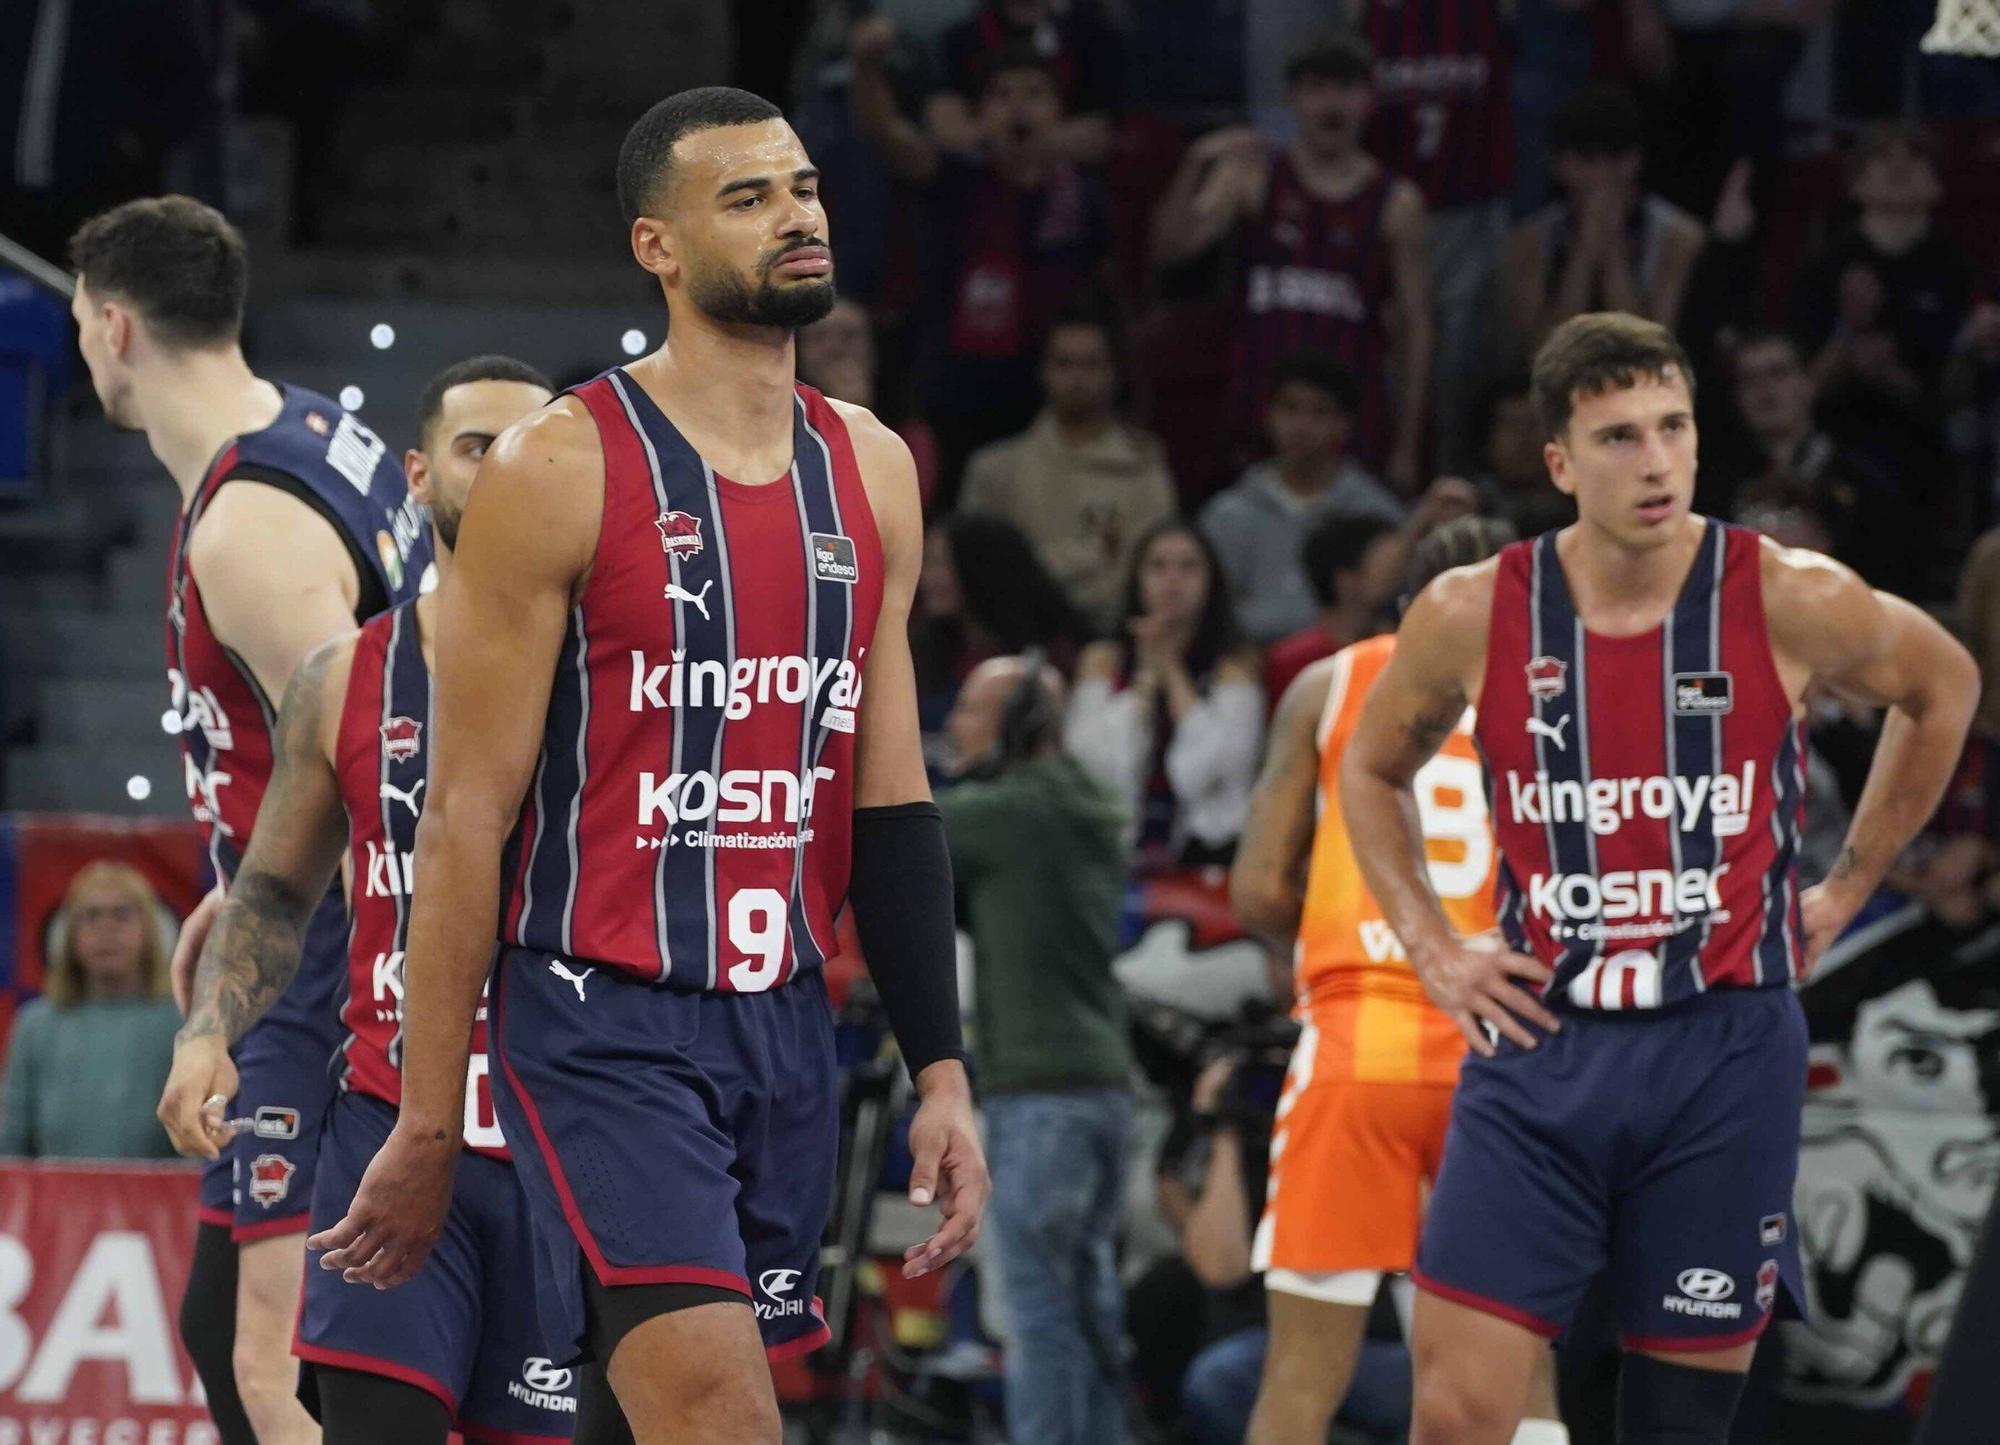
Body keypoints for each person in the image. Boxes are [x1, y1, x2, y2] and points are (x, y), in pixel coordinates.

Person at [304, 88, 988, 1445]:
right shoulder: (561, 468)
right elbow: (462, 820)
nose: (795, 214)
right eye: (746, 197)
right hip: (600, 1018)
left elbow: (891, 799)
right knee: (724, 1416)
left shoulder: (874, 470)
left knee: (644, 1417)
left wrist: (944, 1069)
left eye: (801, 187)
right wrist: (431, 1116)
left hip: (783, 1018)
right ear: (656, 249)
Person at [1341, 311, 1979, 1445]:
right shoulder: (1471, 611)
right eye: (1618, 435)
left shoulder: (1786, 591)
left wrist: (1844, 886)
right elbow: (1369, 768)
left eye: (1672, 427)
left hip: (1720, 1050)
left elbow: (1944, 687)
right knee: (1452, 1412)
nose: (1654, 460)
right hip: (1539, 1043)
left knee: (1674, 1426)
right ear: (1557, 461)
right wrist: (1433, 946)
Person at [154, 358, 573, 1445]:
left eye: (533, 449)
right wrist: (209, 1032)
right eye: (480, 446)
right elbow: (277, 887)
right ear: (418, 473)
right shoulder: (344, 677)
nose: (506, 471)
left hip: (559, 1136)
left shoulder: (623, 676)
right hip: (387, 1129)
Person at [67, 194, 429, 1445]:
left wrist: (231, 987)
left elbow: (361, 755)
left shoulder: (247, 526)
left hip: (326, 967)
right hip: (308, 926)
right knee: (221, 1328)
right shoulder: (319, 431)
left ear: (113, 329)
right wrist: (237, 885)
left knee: (274, 1370)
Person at [1230, 517, 1567, 1445]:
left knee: (1301, 1383)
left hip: (1357, 1045)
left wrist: (1357, 922)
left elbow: (1256, 887)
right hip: (1498, 1052)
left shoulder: (1331, 682)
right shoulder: (1559, 698)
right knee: (1516, 1385)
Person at [936, 655, 1132, 1445]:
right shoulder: (1086, 798)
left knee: (1037, 1312)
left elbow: (908, 828)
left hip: (1040, 1092)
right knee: (1088, 1309)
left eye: (973, 711)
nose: (954, 726)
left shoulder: (1008, 812)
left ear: (1020, 724)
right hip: (1105, 1087)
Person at [1152, 29, 1432, 490]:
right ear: (1292, 99)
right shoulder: (1254, 178)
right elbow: (1171, 249)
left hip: (1349, 412)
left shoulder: (1396, 203)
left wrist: (1407, 443)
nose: (1331, 104)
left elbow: (1416, 330)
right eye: (1317, 89)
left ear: (1368, 100)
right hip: (1259, 403)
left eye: (1345, 89)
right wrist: (1195, 163)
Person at [851, 23, 1114, 493]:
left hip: (1049, 398)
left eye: (1035, 93)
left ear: (1059, 111)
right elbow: (886, 134)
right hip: (957, 392)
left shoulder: (1084, 197)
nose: (1018, 106)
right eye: (1001, 94)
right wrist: (868, 66)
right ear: (979, 115)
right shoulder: (956, 177)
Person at [1357, 0, 1515, 473]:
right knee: (1393, 356)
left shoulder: (1480, 16)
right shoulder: (1369, 19)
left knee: (1462, 365)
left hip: (1469, 211)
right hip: (1388, 214)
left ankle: (1459, 477)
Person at [959, 309, 1176, 631]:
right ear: (1043, 371)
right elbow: (980, 580)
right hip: (1018, 639)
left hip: (1119, 638)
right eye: (1064, 364)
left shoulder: (1144, 466)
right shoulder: (995, 469)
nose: (1077, 378)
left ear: (1113, 373)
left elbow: (1156, 569)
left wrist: (1041, 565)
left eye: (1091, 364)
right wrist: (1093, 556)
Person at [1067, 520, 1264, 872]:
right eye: (1158, 566)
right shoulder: (1102, 660)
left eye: (1189, 567)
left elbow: (1207, 773)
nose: (1172, 580)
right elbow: (1092, 767)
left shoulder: (1235, 666)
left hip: (1210, 856)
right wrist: (1145, 680)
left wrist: (1170, 670)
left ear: (1211, 582)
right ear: (1136, 578)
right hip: (1113, 853)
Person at [1201, 352, 1405, 646]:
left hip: (1344, 663)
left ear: (1345, 425)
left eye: (1320, 412)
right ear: (1268, 416)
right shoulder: (1226, 515)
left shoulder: (1377, 514)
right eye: (1290, 408)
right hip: (1246, 668)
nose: (1301, 425)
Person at [1505, 83, 1704, 355]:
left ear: (1638, 159)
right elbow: (1543, 354)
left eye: (1616, 158)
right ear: (1557, 164)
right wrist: (1584, 253)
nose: (1603, 175)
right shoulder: (1529, 240)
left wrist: (1611, 251)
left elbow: (1648, 352)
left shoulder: (1679, 237)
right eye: (1587, 159)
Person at [0, 862, 181, 1160]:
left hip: (159, 1202)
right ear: (68, 934)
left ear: (151, 931)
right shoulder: (35, 1025)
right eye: (91, 916)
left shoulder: (181, 1023)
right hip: (52, 1201)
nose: (105, 929)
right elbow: (12, 1143)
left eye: (122, 915)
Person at [1724, 327, 1914, 595]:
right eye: (1750, 379)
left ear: (1808, 382)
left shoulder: (1861, 480)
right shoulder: (1717, 484)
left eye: (1778, 373)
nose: (1764, 389)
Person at [910, 512, 1092, 738]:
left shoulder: (1051, 659)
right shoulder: (924, 647)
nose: (926, 579)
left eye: (940, 564)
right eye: (926, 562)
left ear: (979, 566)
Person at [927, 0, 1126, 167]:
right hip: (979, 185)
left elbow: (1099, 135)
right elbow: (946, 126)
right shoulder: (959, 41)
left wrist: (1007, 144)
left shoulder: (1094, 38)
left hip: (1069, 182)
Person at [796, 296, 940, 507]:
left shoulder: (911, 437)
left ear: (873, 348)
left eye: (849, 336)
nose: (834, 349)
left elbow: (896, 508)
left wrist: (856, 417)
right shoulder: (774, 427)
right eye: (818, 337)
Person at [1260, 511, 1406, 709]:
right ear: (1346, 580)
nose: (1400, 577)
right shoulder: (1292, 660)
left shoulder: (1402, 647)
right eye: (1389, 567)